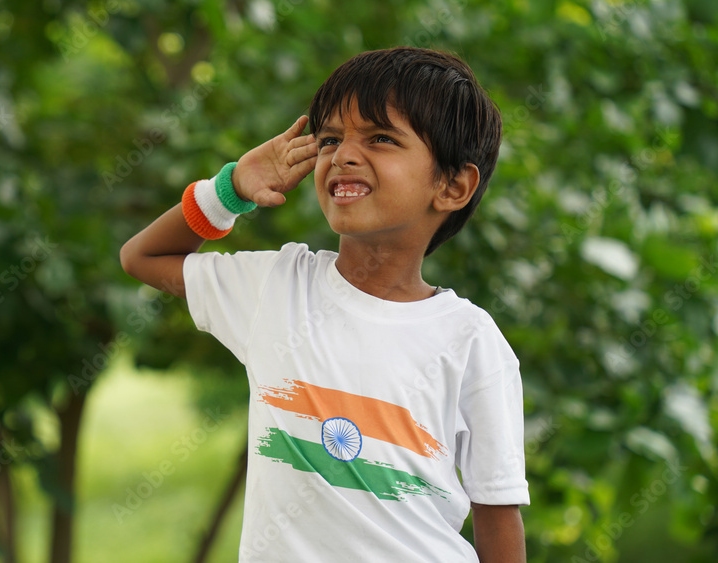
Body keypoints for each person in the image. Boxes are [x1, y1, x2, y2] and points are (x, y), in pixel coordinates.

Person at [120, 47, 528, 562]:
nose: (343, 156)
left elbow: (497, 510)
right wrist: (232, 188)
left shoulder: (470, 339)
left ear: (452, 186)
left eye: (381, 138)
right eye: (331, 139)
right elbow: (143, 257)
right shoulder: (276, 287)